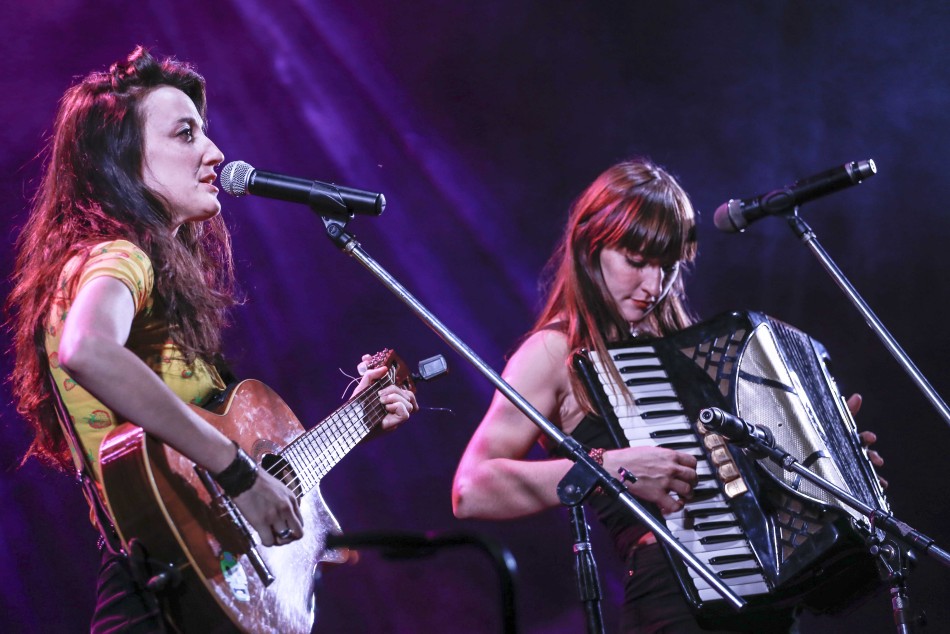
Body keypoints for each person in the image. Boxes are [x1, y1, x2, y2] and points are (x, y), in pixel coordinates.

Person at [8, 46, 417, 633]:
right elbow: (87, 349)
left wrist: (359, 415)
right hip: (156, 596)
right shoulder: (118, 256)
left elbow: (257, 466)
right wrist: (240, 474)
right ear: (120, 160)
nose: (216, 152)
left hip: (184, 582)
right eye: (185, 134)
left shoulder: (147, 270)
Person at [452, 158, 885, 633]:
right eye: (635, 262)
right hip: (672, 602)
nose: (652, 286)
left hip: (769, 599)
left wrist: (825, 463)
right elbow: (472, 490)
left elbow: (748, 484)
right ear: (588, 247)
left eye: (667, 266)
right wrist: (612, 468)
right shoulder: (553, 351)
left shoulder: (695, 351)